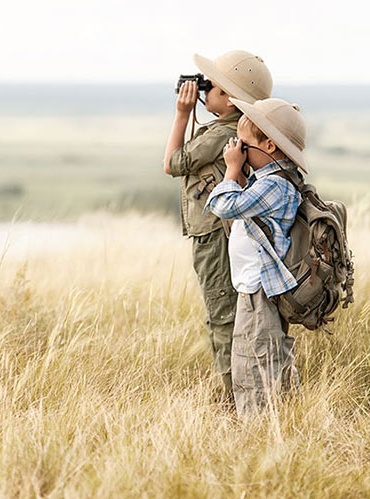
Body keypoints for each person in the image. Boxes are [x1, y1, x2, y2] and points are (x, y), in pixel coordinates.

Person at [163, 51, 273, 401]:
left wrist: (182, 114)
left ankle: (233, 398)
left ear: (228, 97)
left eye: (210, 86)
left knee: (222, 315)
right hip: (225, 232)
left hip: (214, 234)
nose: (202, 91)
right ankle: (243, 391)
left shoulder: (223, 132)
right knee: (231, 314)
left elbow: (173, 163)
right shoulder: (234, 127)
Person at [205, 97, 308, 416]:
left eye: (244, 146)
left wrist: (232, 168)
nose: (239, 151)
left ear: (270, 145)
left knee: (254, 365)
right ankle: (281, 417)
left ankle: (259, 428)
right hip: (256, 287)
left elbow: (222, 205)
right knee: (264, 357)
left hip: (258, 290)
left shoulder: (275, 185)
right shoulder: (268, 181)